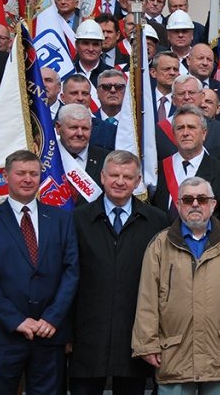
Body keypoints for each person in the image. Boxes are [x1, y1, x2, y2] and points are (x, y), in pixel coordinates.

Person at [133, 177, 220, 393]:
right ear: (178, 204)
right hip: (173, 353)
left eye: (202, 199)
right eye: (188, 199)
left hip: (218, 350)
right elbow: (147, 299)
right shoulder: (160, 245)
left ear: (213, 204)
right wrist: (147, 343)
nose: (195, 204)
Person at [68, 151, 169, 395]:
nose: (120, 181)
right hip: (87, 336)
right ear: (102, 177)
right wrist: (66, 332)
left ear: (137, 181)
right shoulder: (77, 219)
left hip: (134, 335)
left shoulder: (157, 220)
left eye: (127, 176)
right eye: (114, 175)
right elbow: (68, 277)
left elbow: (164, 280)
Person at [0, 150, 79, 395]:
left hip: (49, 334)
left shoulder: (61, 219)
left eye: (34, 174)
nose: (28, 179)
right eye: (21, 173)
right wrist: (15, 320)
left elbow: (72, 272)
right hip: (2, 334)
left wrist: (52, 317)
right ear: (5, 176)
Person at [153, 106, 220, 229]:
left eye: (191, 127)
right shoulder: (158, 170)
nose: (185, 133)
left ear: (204, 133)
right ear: (173, 134)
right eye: (180, 128)